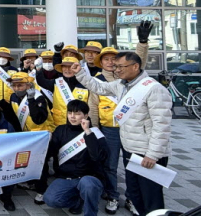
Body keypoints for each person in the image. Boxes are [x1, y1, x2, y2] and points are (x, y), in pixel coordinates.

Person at [73, 51, 172, 216]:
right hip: (131, 150)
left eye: (120, 66)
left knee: (151, 198)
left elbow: (161, 125)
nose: (116, 70)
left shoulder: (154, 89)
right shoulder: (122, 85)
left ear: (135, 66)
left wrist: (153, 154)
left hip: (148, 153)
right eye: (116, 66)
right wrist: (80, 73)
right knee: (135, 193)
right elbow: (99, 87)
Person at [87, 21, 151, 215]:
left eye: (113, 59)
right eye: (106, 59)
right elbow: (93, 107)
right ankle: (112, 196)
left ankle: (132, 198)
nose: (110, 62)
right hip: (109, 130)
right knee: (110, 165)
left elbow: (139, 60)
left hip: (131, 128)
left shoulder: (129, 78)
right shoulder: (97, 81)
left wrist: (142, 43)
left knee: (133, 164)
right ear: (101, 62)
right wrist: (95, 129)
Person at [43, 100, 108, 216]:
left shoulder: (94, 133)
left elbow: (97, 157)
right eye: (70, 113)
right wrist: (46, 140)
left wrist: (87, 132)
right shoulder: (60, 130)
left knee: (88, 184)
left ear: (86, 116)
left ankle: (90, 212)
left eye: (77, 114)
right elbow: (50, 152)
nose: (72, 117)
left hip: (88, 177)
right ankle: (79, 201)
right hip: (66, 177)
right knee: (50, 200)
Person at [5, 72, 53, 204]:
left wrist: (31, 100)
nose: (17, 88)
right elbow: (14, 117)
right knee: (28, 160)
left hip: (42, 134)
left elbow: (38, 119)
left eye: (20, 85)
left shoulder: (39, 97)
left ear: (28, 85)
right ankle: (31, 182)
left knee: (41, 163)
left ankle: (42, 190)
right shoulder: (13, 97)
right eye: (14, 85)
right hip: (27, 135)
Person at [35, 57, 89, 127]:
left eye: (70, 67)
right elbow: (41, 81)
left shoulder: (86, 84)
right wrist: (39, 69)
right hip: (60, 124)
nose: (67, 70)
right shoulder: (56, 82)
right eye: (64, 67)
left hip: (80, 125)